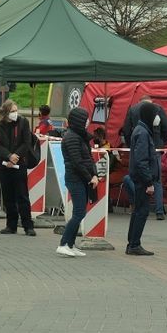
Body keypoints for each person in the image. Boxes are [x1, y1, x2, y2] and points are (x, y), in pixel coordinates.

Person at [58, 106, 97, 258]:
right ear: (80, 120)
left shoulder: (80, 136)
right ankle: (63, 244)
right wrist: (90, 177)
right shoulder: (72, 137)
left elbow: (88, 158)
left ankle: (70, 244)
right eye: (86, 118)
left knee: (78, 212)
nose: (88, 121)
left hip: (81, 179)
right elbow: (77, 162)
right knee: (79, 213)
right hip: (75, 179)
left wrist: (94, 174)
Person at [0, 99, 36, 236]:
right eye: (12, 111)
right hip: (5, 165)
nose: (15, 113)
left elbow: (27, 142)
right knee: (8, 196)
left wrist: (16, 156)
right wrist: (8, 156)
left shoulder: (23, 122)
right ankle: (11, 225)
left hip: (19, 163)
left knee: (22, 195)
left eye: (16, 110)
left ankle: (28, 225)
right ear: (6, 113)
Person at [126, 101, 160, 256]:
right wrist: (149, 182)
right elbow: (141, 160)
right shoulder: (143, 133)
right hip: (142, 180)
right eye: (155, 114)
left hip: (139, 178)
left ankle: (132, 243)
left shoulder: (141, 130)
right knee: (142, 211)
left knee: (137, 210)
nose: (157, 117)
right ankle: (134, 244)